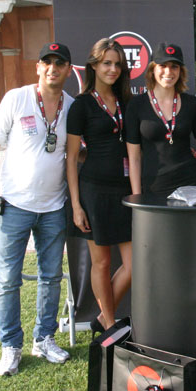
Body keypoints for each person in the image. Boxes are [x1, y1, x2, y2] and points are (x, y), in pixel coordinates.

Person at [0, 42, 74, 377]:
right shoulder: (17, 98)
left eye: (59, 63)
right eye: (47, 62)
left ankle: (44, 339)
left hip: (54, 207)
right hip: (13, 205)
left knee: (51, 277)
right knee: (7, 280)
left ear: (68, 70)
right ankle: (10, 346)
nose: (53, 68)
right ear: (38, 67)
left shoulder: (72, 106)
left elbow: (75, 153)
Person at [65, 38, 132, 332]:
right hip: (93, 191)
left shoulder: (127, 102)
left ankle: (104, 319)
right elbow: (71, 158)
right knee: (102, 263)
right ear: (93, 66)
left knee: (134, 264)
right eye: (106, 63)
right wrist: (76, 205)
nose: (112, 69)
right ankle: (110, 325)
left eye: (117, 64)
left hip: (125, 191)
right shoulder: (81, 105)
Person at [125, 43, 196, 196]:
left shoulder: (192, 103)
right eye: (163, 66)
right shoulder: (136, 105)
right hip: (155, 189)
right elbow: (134, 158)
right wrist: (137, 197)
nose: (168, 71)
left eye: (174, 67)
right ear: (152, 69)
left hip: (193, 185)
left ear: (180, 71)